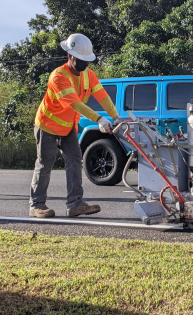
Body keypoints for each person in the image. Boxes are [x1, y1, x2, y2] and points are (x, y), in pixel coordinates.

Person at [29, 33, 121, 218]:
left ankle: (75, 204)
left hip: (69, 127)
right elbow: (75, 104)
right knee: (45, 163)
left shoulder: (89, 75)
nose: (84, 65)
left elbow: (102, 95)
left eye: (87, 61)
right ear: (70, 56)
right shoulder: (58, 77)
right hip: (47, 126)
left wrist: (115, 116)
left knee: (74, 161)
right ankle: (37, 206)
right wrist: (99, 119)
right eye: (81, 60)